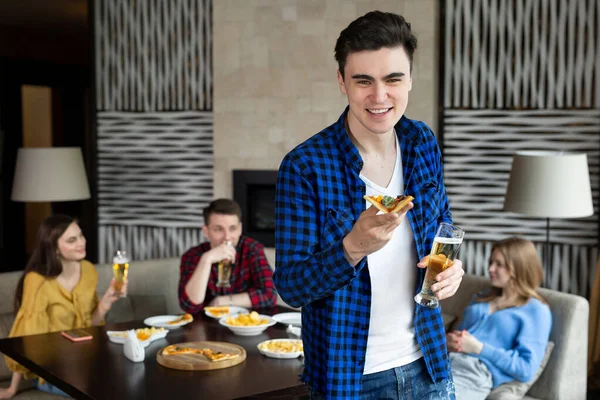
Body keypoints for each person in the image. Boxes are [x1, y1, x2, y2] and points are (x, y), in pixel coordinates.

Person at [274, 10, 464, 400]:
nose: (379, 97)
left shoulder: (422, 142)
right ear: (342, 82)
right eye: (364, 81)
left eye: (393, 79)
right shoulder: (305, 166)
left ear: (410, 79)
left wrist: (452, 269)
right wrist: (352, 247)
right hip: (350, 380)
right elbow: (290, 288)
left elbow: (443, 221)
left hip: (430, 365)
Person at [0, 215, 124, 399]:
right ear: (54, 248)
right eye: (72, 240)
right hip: (51, 369)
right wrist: (12, 388)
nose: (81, 242)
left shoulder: (88, 270)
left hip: (85, 361)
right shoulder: (37, 281)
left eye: (81, 235)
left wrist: (106, 302)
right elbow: (25, 336)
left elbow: (87, 325)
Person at [446, 237, 552, 399]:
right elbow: (459, 336)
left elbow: (526, 369)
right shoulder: (481, 297)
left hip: (474, 374)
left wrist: (479, 348)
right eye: (491, 262)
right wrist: (448, 341)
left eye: (499, 264)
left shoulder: (536, 311)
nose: (490, 268)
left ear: (519, 267)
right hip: (444, 362)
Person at [178, 198, 277, 313]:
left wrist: (222, 301)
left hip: (245, 324)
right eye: (218, 229)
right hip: (207, 326)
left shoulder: (252, 249)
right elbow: (189, 305)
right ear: (206, 231)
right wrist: (206, 260)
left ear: (239, 229)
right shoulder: (192, 256)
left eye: (232, 228)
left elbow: (270, 295)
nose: (227, 237)